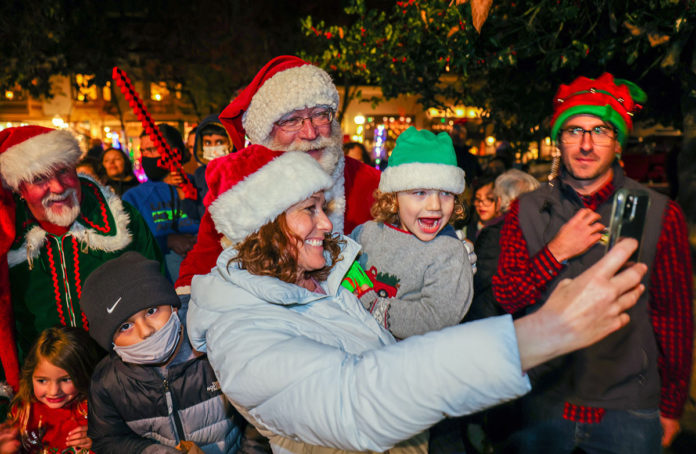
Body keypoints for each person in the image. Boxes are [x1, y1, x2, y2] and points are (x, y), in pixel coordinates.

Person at [186, 144, 648, 454]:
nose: (329, 225)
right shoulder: (241, 333)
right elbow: (353, 397)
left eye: (323, 207)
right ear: (263, 227)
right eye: (309, 210)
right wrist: (538, 334)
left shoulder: (329, 269)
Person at [492, 73, 693, 452]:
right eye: (573, 131)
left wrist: (671, 406)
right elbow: (506, 297)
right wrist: (554, 254)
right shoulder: (527, 210)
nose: (586, 144)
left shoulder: (660, 213)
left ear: (617, 142)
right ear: (559, 142)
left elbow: (674, 318)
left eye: (600, 130)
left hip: (628, 411)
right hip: (543, 404)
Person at [175, 55, 381, 292]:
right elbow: (200, 269)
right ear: (264, 132)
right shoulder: (239, 191)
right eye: (292, 120)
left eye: (320, 114)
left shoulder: (371, 183)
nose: (310, 132)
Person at [0, 125, 162, 393]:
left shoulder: (122, 218)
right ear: (20, 188)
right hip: (44, 394)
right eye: (40, 179)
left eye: (64, 171)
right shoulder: (6, 237)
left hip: (126, 384)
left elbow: (159, 298)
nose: (58, 187)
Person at [80, 251, 244, 454]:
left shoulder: (213, 349)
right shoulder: (108, 382)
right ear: (110, 341)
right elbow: (107, 440)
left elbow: (259, 418)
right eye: (125, 327)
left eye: (151, 311)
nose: (146, 331)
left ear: (173, 307)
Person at [350, 127, 471, 338]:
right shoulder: (366, 234)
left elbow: (436, 318)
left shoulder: (449, 252)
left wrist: (371, 304)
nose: (434, 205)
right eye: (420, 192)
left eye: (445, 193)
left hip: (410, 361)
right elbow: (338, 266)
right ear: (394, 198)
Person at [1, 326, 101, 454]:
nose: (53, 391)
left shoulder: (96, 409)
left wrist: (99, 443)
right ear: (30, 376)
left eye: (66, 380)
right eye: (42, 381)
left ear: (82, 374)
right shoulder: (23, 412)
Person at [123, 125, 199, 282]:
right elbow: (129, 245)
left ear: (174, 152)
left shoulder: (199, 185)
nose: (145, 157)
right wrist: (167, 241)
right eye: (142, 151)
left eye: (151, 150)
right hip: (161, 286)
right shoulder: (134, 197)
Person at [466, 169, 539, 322]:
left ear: (500, 201)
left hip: (491, 321)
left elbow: (480, 283)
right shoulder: (535, 228)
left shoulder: (496, 233)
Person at [182, 115, 234, 221]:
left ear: (230, 142)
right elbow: (195, 213)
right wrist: (183, 193)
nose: (213, 148)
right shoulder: (200, 174)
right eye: (207, 143)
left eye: (219, 142)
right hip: (208, 233)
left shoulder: (240, 170)